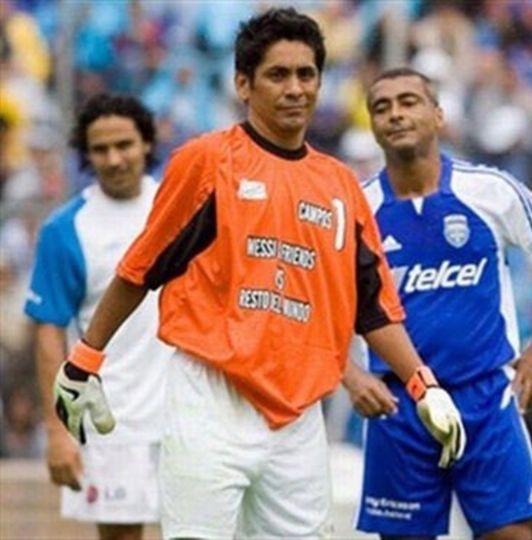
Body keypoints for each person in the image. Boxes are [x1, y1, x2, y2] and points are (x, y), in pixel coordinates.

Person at [49, 9, 464, 539]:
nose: (295, 89)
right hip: (210, 399)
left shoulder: (340, 186)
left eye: (306, 74)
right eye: (277, 74)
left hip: (298, 416)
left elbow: (373, 307)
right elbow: (141, 268)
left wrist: (423, 385)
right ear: (243, 84)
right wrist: (85, 358)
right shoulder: (208, 161)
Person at [343, 67, 532, 540]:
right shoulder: (357, 208)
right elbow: (320, 301)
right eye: (382, 107)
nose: (395, 114)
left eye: (409, 102)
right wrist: (351, 376)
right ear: (372, 125)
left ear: (438, 115)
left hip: (485, 396)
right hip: (399, 404)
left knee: (512, 535)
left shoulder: (488, 189)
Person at [24, 93, 170, 540]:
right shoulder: (65, 229)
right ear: (85, 154)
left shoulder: (178, 206)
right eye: (100, 149)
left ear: (146, 143)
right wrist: (57, 432)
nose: (113, 158)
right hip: (111, 417)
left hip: (187, 409)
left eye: (124, 144)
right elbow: (49, 333)